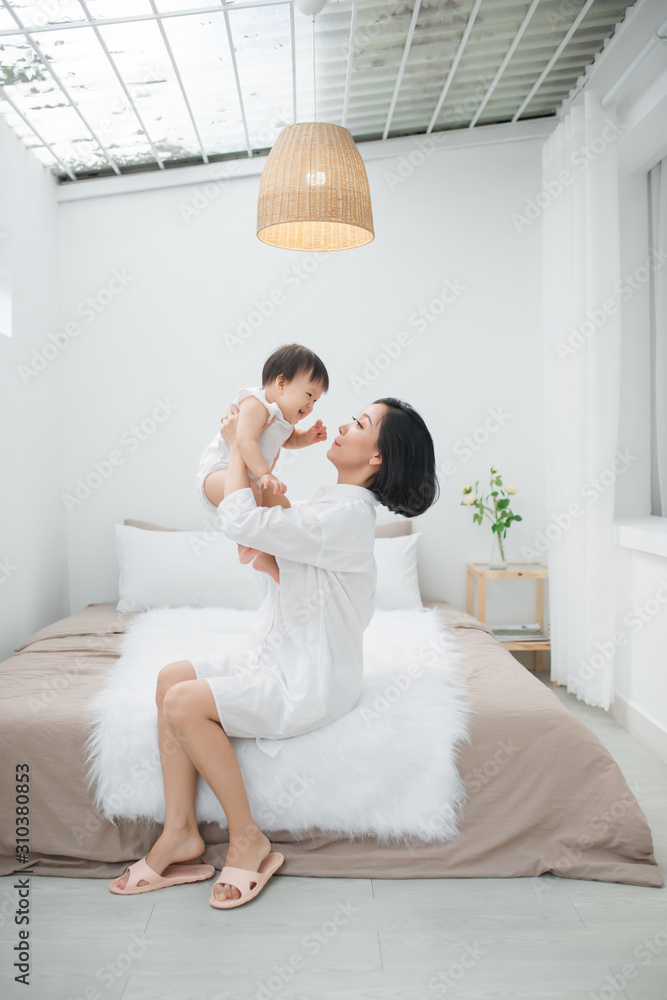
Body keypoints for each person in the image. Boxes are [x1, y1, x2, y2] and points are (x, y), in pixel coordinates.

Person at [109, 397, 439, 907]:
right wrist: (248, 447)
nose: (347, 424)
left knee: (183, 704)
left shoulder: (347, 517)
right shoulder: (332, 507)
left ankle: (247, 838)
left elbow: (241, 521)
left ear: (377, 457)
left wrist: (243, 446)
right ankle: (180, 831)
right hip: (278, 655)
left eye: (362, 423)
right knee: (170, 678)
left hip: (308, 679)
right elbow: (257, 516)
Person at [195, 343, 329, 580]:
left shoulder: (283, 417)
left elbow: (289, 440)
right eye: (309, 395)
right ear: (281, 383)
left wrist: (307, 437)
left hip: (250, 481)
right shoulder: (257, 405)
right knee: (253, 490)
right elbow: (244, 441)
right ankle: (243, 545)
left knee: (282, 507)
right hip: (217, 475)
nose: (310, 405)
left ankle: (266, 558)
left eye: (316, 401)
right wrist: (265, 473)